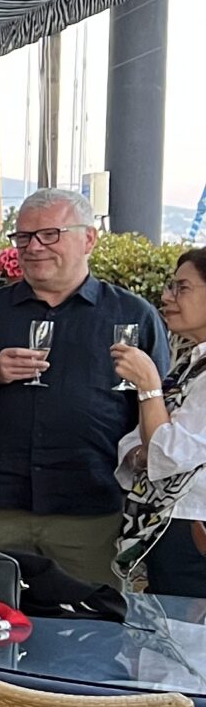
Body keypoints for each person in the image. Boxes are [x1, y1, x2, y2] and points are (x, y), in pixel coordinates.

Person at [0, 187, 171, 584]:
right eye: (23, 237)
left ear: (89, 239)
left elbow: (161, 407)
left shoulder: (133, 316)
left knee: (92, 617)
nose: (34, 247)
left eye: (49, 234)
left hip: (90, 511)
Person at [112, 247, 206, 597]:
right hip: (169, 525)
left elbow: (166, 454)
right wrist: (143, 455)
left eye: (182, 287)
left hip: (192, 529)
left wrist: (149, 385)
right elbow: (140, 441)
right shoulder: (190, 362)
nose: (167, 296)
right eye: (170, 285)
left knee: (183, 629)